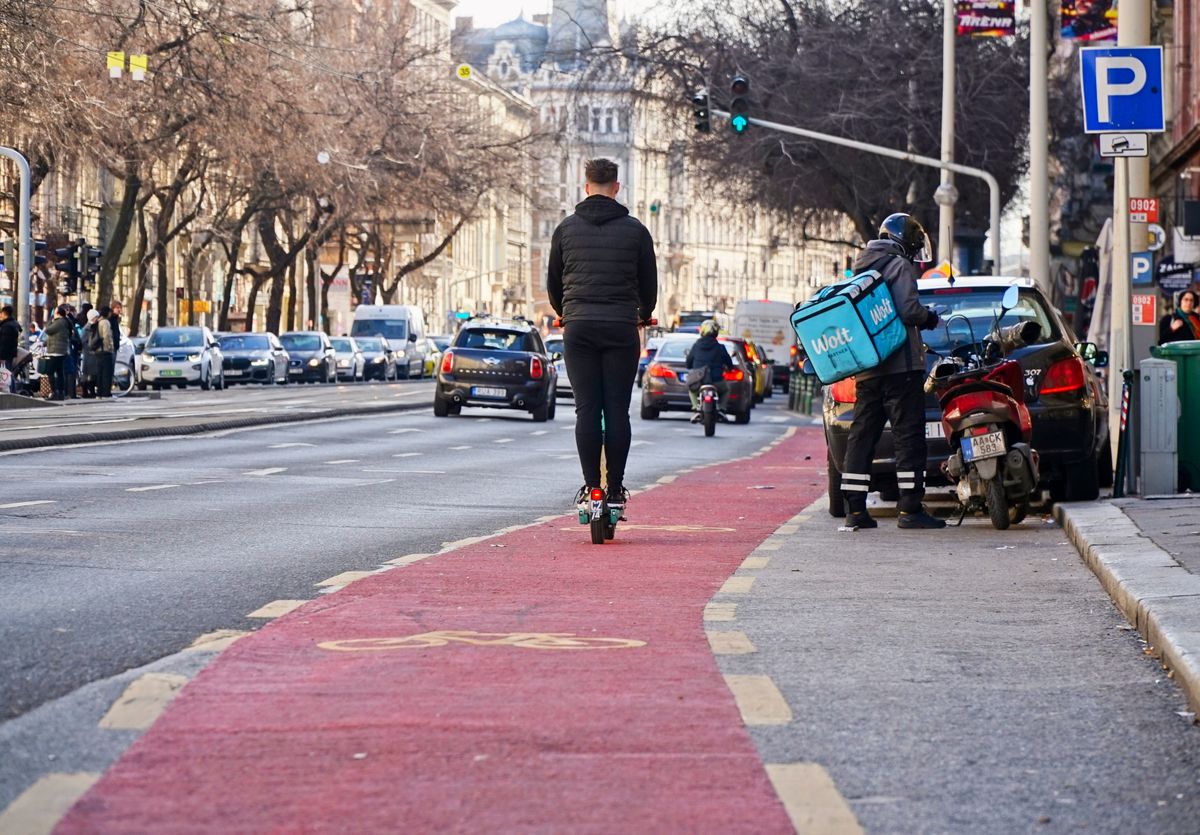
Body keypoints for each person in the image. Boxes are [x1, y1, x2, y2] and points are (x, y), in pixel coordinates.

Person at [547, 157, 657, 512]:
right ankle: (616, 490)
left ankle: (591, 486)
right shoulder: (636, 231)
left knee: (587, 410)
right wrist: (644, 314)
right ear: (617, 188)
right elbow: (648, 284)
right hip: (621, 327)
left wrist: (566, 313)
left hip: (578, 327)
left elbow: (553, 283)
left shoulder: (565, 230)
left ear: (585, 185)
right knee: (617, 410)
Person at [840, 213, 945, 530]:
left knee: (862, 436)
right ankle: (910, 509)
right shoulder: (899, 265)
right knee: (908, 436)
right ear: (905, 241)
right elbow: (909, 311)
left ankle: (855, 510)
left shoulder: (861, 267)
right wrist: (929, 318)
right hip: (901, 367)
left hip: (869, 368)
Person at [684, 319, 733, 422]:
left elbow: (688, 362)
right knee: (726, 390)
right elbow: (729, 363)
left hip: (699, 381)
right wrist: (729, 368)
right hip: (716, 381)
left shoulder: (696, 346)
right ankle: (722, 409)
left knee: (691, 390)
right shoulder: (720, 347)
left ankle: (695, 408)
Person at [44, 304, 74, 400]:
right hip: (61, 351)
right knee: (59, 372)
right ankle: (61, 392)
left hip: (56, 351)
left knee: (50, 371)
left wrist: (50, 321)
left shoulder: (59, 322)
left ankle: (54, 392)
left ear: (57, 313)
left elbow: (48, 330)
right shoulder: (65, 322)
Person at [94, 305, 115, 398]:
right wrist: (110, 346)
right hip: (105, 350)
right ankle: (106, 391)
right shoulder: (105, 322)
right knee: (107, 373)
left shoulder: (98, 321)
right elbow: (106, 336)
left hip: (98, 350)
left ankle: (99, 391)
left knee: (100, 373)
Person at [0, 304, 19, 393]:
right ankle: (12, 391)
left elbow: (4, 343)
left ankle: (12, 391)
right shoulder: (13, 324)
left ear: (4, 313)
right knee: (8, 372)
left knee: (7, 373)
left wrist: (2, 357)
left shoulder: (7, 326)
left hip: (6, 354)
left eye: (1, 313)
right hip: (10, 353)